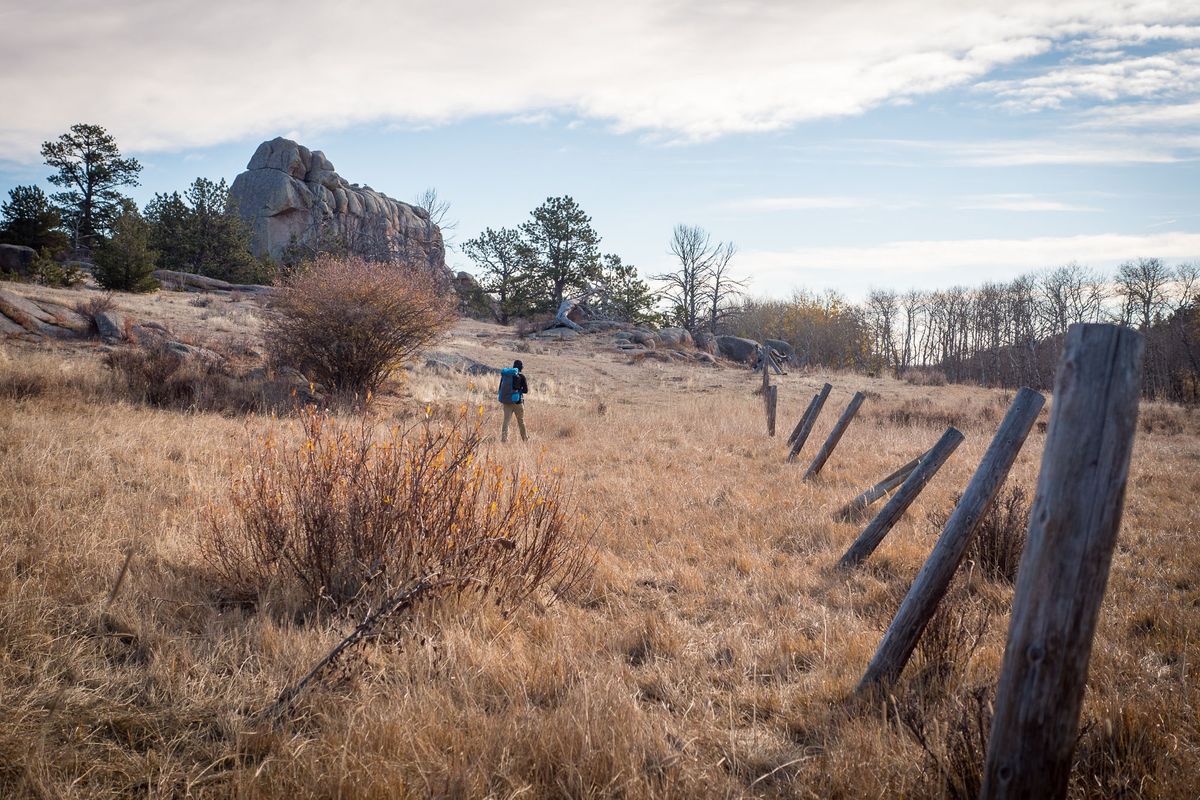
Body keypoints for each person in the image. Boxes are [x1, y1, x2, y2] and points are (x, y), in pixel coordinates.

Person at [499, 359, 529, 442]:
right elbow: (526, 390)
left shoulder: (505, 376)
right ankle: (525, 439)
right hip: (518, 402)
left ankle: (504, 440)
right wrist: (518, 390)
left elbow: (500, 388)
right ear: (521, 368)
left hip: (507, 402)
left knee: (506, 422)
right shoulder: (522, 377)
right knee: (521, 421)